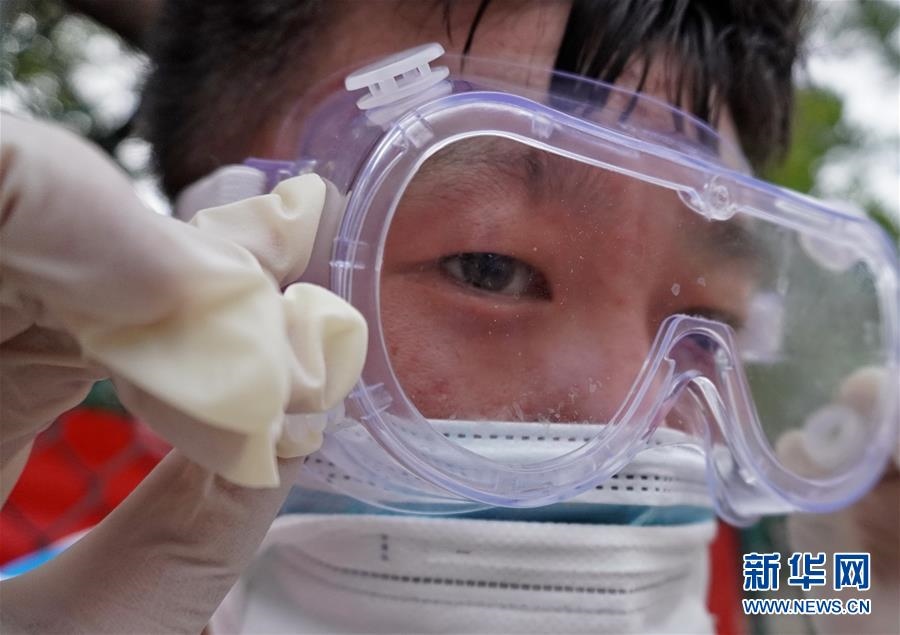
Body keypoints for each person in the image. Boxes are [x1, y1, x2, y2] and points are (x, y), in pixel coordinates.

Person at [0, 1, 896, 634]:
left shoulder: (738, 578)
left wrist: (869, 584)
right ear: (207, 267)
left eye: (708, 312)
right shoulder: (52, 593)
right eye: (489, 267)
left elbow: (777, 595)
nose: (630, 420)